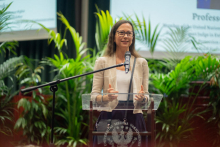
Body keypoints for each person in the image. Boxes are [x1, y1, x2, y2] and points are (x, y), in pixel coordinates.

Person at [91, 20, 149, 147]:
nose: (125, 36)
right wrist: (106, 97)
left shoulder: (141, 63)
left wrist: (142, 98)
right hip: (109, 116)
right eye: (121, 32)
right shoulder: (102, 62)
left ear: (132, 37)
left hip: (134, 117)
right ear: (113, 36)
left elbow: (147, 96)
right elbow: (93, 96)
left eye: (129, 33)